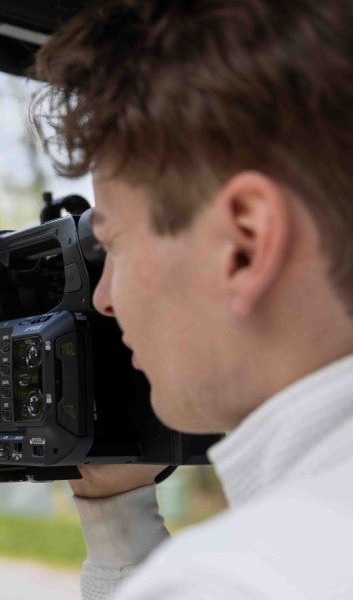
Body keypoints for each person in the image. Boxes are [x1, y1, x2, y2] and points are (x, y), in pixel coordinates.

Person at [29, 0, 353, 597]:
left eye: (114, 246)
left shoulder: (234, 578)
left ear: (245, 244)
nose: (103, 299)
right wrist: (116, 512)